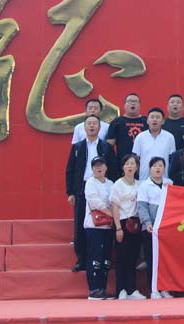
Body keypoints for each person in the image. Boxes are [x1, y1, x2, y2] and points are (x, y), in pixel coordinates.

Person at [65, 114, 116, 272]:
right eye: (89, 124)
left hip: (102, 186)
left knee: (104, 223)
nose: (92, 126)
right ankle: (82, 259)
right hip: (82, 188)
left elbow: (113, 169)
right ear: (84, 127)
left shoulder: (106, 147)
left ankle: (104, 258)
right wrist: (70, 192)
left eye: (95, 124)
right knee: (81, 224)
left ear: (100, 128)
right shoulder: (78, 147)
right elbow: (70, 170)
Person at [110, 154, 146, 300]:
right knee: (122, 258)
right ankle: (121, 290)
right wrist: (118, 228)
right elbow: (114, 207)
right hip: (123, 222)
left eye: (133, 164)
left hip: (136, 224)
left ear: (137, 167)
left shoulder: (140, 184)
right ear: (123, 167)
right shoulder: (118, 184)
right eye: (127, 164)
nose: (130, 166)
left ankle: (132, 289)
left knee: (133, 258)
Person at [137, 157, 173, 299]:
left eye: (160, 166)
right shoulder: (144, 186)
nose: (158, 168)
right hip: (151, 228)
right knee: (152, 259)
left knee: (165, 260)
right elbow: (142, 206)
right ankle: (154, 289)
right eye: (155, 166)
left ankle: (164, 288)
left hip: (166, 228)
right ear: (150, 169)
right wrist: (147, 222)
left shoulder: (169, 183)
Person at [83, 156, 114, 300]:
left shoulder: (110, 183)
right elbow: (94, 201)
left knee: (105, 259)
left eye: (101, 165)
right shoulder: (90, 182)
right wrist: (110, 212)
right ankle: (94, 289)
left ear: (106, 167)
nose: (98, 168)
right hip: (93, 226)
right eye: (95, 166)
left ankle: (103, 288)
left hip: (108, 226)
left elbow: (114, 200)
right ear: (92, 169)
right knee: (95, 258)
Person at [132, 107, 176, 181]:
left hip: (163, 179)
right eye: (152, 117)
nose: (154, 119)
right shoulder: (140, 137)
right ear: (147, 120)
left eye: (158, 117)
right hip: (144, 178)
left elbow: (172, 159)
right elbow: (135, 158)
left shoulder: (169, 137)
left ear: (163, 121)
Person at [106, 93, 147, 159]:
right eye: (130, 101)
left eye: (135, 101)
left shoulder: (147, 121)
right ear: (124, 105)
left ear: (140, 106)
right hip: (123, 161)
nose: (133, 103)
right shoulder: (116, 122)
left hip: (144, 160)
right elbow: (109, 145)